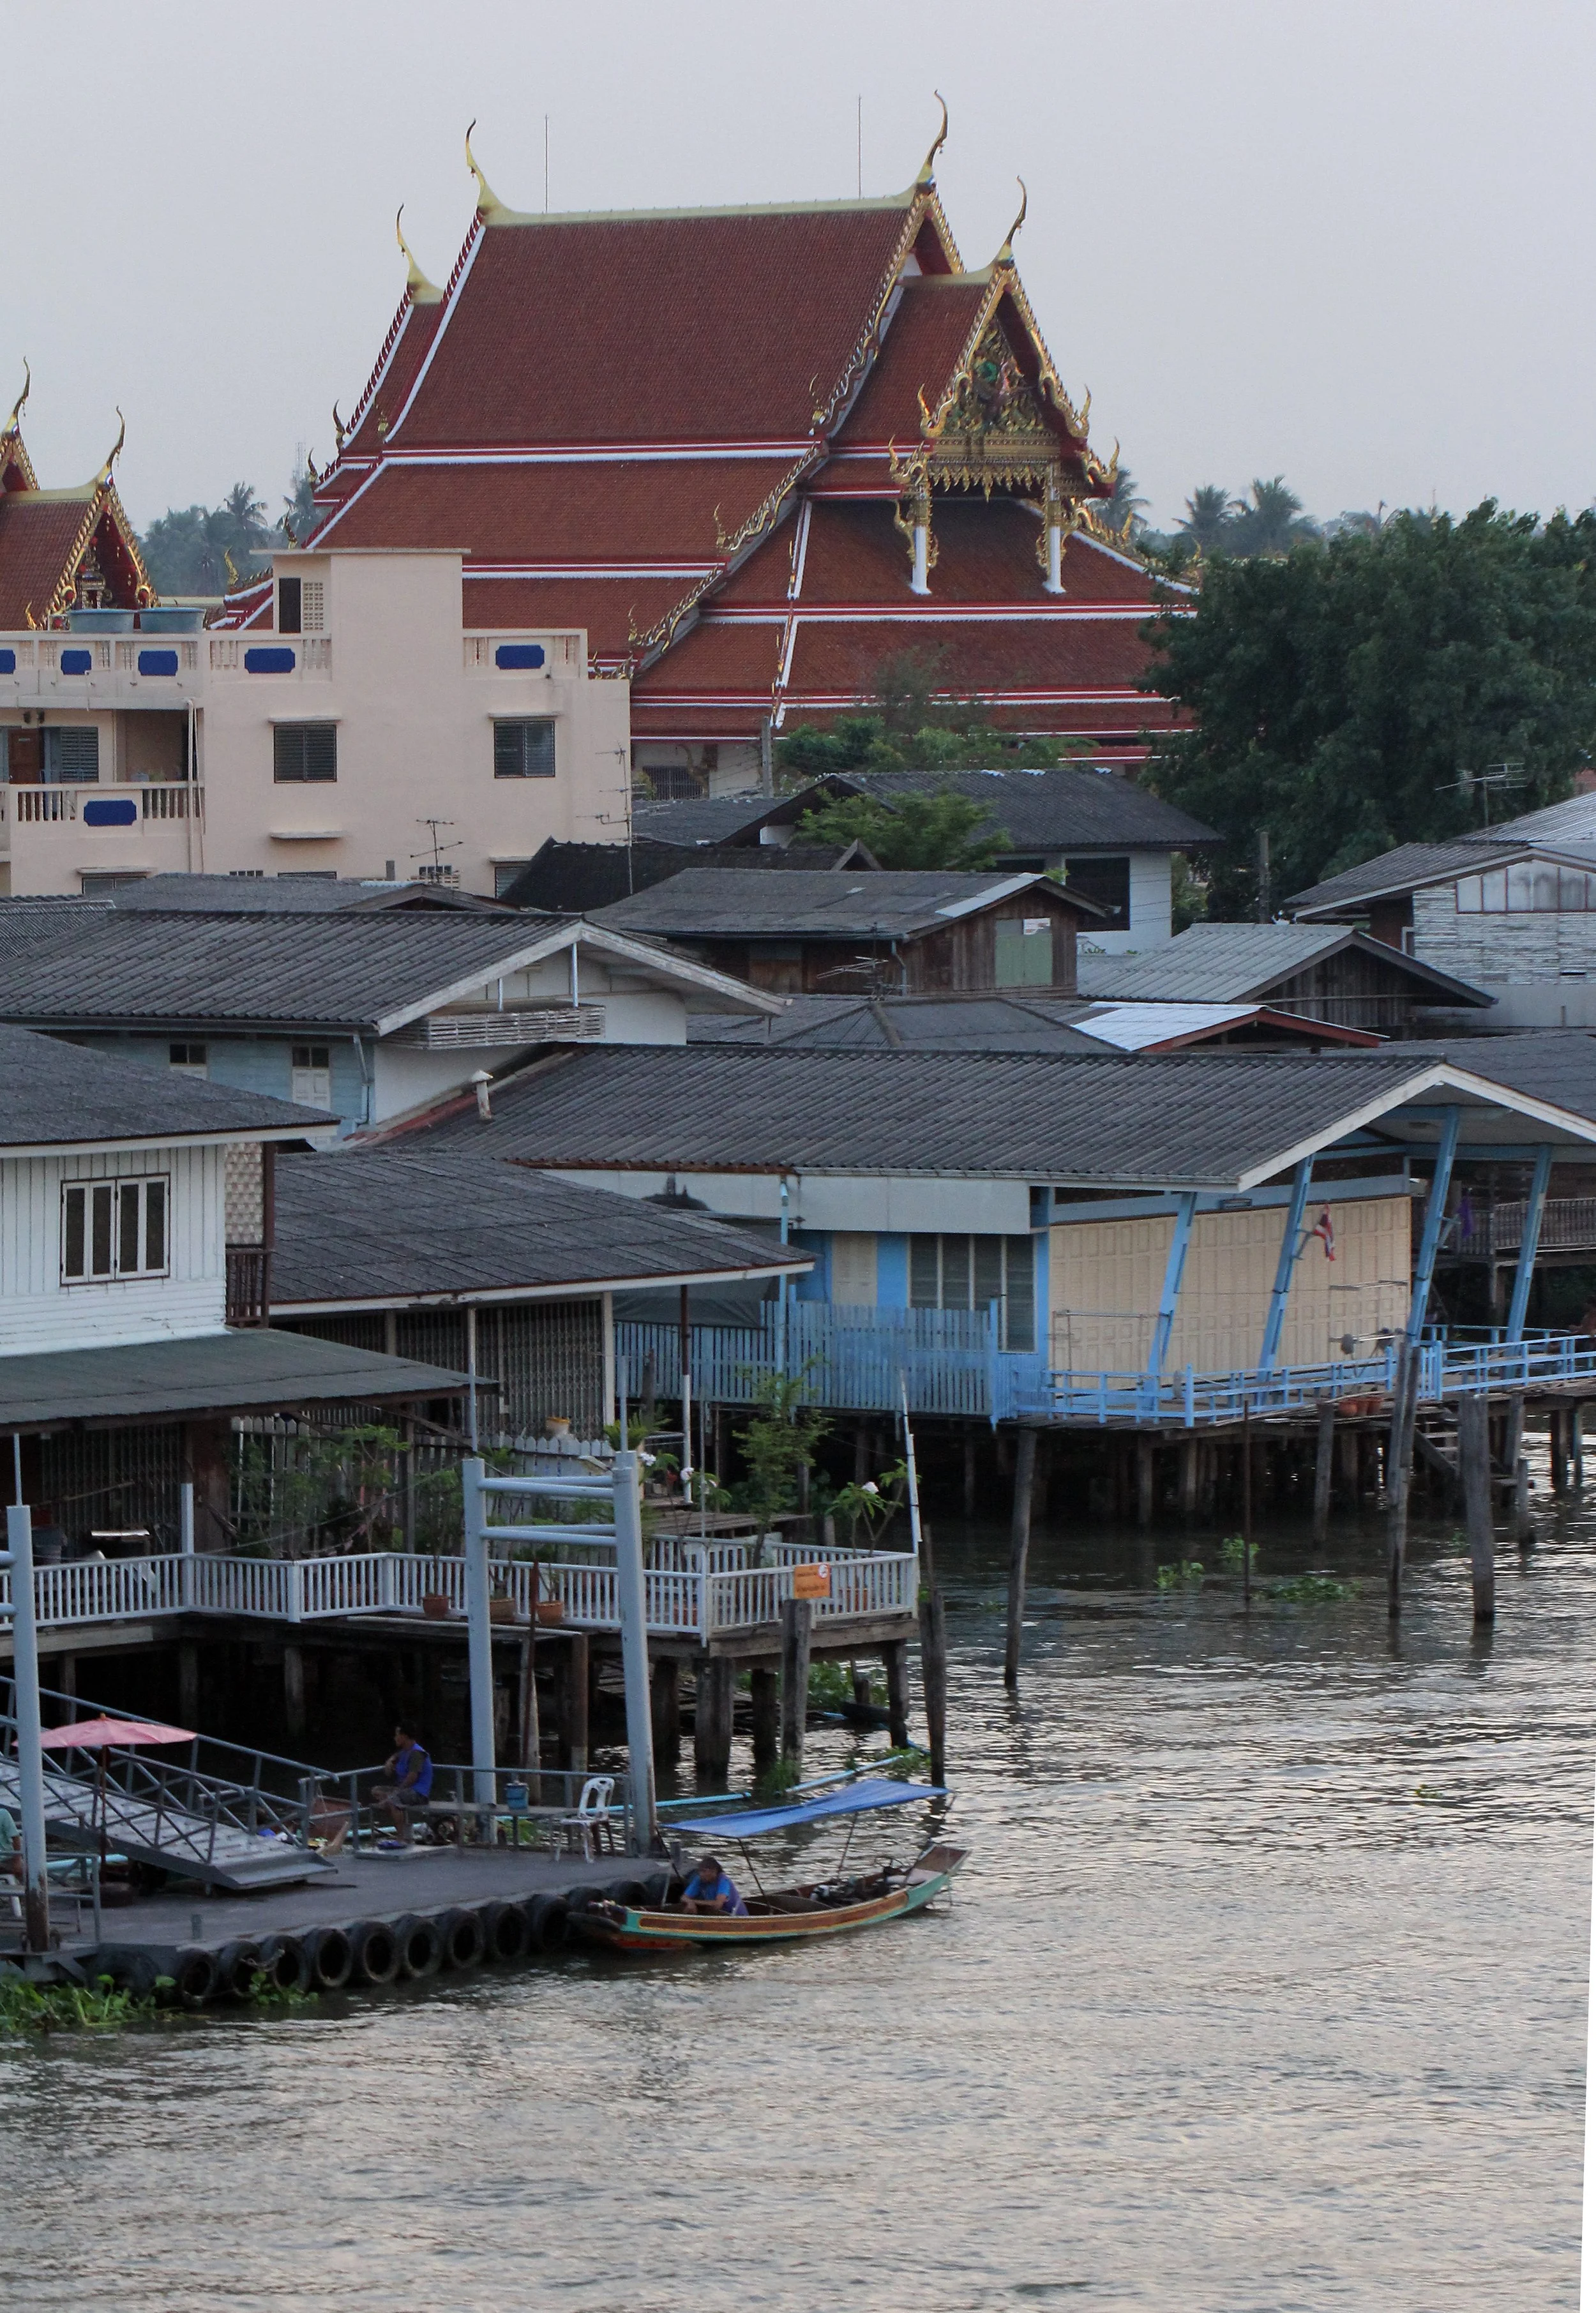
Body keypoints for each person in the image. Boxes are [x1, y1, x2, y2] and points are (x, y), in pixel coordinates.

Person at [371, 1723, 433, 1841]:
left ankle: (401, 1837)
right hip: (406, 1790)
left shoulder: (416, 1754)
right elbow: (397, 1755)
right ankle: (402, 1827)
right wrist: (391, 1760)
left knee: (392, 1800)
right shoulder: (405, 1751)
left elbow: (412, 1778)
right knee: (377, 1791)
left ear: (404, 1736)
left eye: (397, 1735)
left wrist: (397, 1791)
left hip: (418, 1793)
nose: (395, 1738)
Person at [679, 1851, 748, 1916]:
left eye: (704, 1871)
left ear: (714, 1871)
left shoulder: (723, 1881)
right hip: (717, 1915)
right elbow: (683, 1898)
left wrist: (693, 1902)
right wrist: (690, 1902)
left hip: (734, 1916)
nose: (701, 1874)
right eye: (700, 1871)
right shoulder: (700, 1879)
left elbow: (718, 1905)